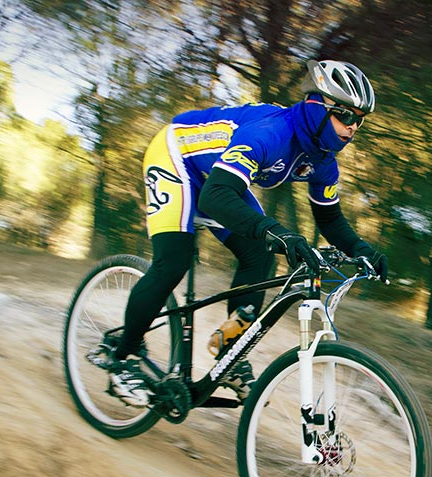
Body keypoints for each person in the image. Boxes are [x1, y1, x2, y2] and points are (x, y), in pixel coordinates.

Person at [108, 59, 388, 405]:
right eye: (345, 115)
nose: (352, 127)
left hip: (218, 177)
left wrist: (362, 249)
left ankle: (230, 350)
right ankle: (123, 358)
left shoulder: (323, 162)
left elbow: (329, 220)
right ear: (316, 107)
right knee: (173, 260)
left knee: (259, 254)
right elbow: (214, 196)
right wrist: (273, 229)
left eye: (359, 120)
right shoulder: (270, 133)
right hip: (176, 157)